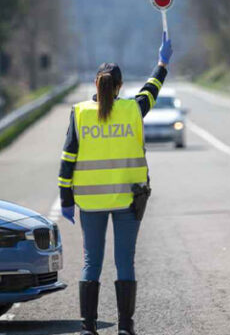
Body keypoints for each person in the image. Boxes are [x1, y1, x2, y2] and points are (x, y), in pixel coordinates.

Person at [58, 32, 173, 335]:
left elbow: (68, 159)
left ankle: (88, 327)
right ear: (120, 86)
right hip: (127, 201)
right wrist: (162, 63)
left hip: (90, 202)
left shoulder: (80, 113)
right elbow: (152, 89)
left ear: (96, 84)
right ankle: (125, 327)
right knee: (125, 263)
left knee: (90, 263)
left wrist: (66, 199)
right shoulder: (133, 109)